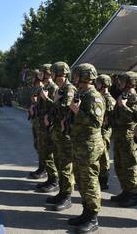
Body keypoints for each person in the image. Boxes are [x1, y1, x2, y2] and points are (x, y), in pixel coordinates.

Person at [68, 63, 105, 233]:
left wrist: (77, 111)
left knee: (89, 180)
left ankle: (93, 217)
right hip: (79, 143)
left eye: (76, 75)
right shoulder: (81, 93)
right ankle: (86, 212)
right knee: (81, 180)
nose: (74, 78)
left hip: (89, 145)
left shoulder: (94, 96)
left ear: (85, 77)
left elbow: (96, 122)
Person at [111, 71, 137, 207]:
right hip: (119, 136)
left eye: (122, 81)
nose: (120, 83)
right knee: (120, 165)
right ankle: (125, 191)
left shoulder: (136, 99)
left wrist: (123, 106)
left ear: (129, 83)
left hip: (129, 137)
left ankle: (132, 195)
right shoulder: (123, 96)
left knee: (130, 166)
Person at [45, 62, 76, 211]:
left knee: (65, 166)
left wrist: (55, 100)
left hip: (65, 134)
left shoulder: (69, 89)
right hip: (58, 132)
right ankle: (62, 192)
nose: (54, 77)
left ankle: (67, 196)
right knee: (59, 163)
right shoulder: (61, 89)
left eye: (55, 74)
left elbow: (65, 108)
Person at [35, 64, 59, 193]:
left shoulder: (54, 88)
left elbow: (57, 107)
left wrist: (46, 98)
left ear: (48, 74)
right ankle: (50, 178)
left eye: (41, 73)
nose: (40, 76)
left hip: (50, 126)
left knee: (50, 154)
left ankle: (54, 180)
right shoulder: (44, 87)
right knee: (44, 152)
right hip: (42, 125)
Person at [95, 74, 115, 190]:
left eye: (98, 83)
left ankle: (103, 179)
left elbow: (110, 118)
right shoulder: (100, 97)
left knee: (104, 155)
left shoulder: (108, 99)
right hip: (99, 129)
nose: (96, 85)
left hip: (104, 130)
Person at [28, 69, 46, 179]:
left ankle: (44, 169)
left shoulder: (42, 88)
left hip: (41, 121)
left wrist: (35, 102)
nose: (31, 78)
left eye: (33, 76)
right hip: (35, 120)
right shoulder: (35, 88)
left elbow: (42, 103)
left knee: (42, 146)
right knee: (37, 145)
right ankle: (41, 167)